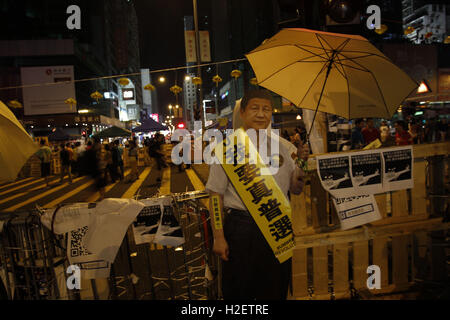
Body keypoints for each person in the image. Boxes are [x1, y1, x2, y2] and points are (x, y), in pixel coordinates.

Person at [205, 89, 309, 300]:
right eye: (255, 108)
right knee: (239, 290)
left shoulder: (284, 148)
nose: (261, 114)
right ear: (242, 113)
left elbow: (295, 189)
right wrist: (218, 237)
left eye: (266, 109)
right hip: (241, 230)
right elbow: (215, 196)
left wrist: (302, 165)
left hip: (277, 224)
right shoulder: (227, 149)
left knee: (276, 287)